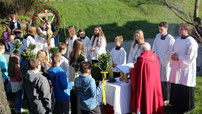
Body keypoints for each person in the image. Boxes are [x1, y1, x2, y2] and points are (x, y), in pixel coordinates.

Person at [170, 23, 198, 113]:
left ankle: (186, 107)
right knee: (176, 85)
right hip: (176, 67)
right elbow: (173, 51)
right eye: (180, 29)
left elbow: (191, 57)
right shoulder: (177, 40)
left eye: (182, 29)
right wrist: (173, 55)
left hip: (186, 68)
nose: (180, 31)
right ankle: (175, 104)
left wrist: (179, 58)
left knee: (185, 86)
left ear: (187, 30)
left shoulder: (191, 41)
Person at [130, 42, 164, 114]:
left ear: (142, 50)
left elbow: (134, 71)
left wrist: (131, 70)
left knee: (146, 97)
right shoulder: (155, 57)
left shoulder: (142, 59)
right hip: (155, 83)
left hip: (146, 84)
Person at [152, 22, 175, 104]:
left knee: (166, 80)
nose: (160, 30)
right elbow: (154, 47)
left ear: (166, 29)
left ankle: (167, 98)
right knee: (159, 79)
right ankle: (159, 96)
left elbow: (171, 51)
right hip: (158, 60)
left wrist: (162, 58)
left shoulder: (171, 39)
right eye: (159, 29)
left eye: (161, 29)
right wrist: (157, 56)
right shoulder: (157, 36)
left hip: (166, 62)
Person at [68, 39, 86, 114]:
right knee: (78, 103)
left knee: (74, 103)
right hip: (78, 83)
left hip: (72, 82)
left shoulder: (71, 55)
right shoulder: (81, 57)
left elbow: (69, 70)